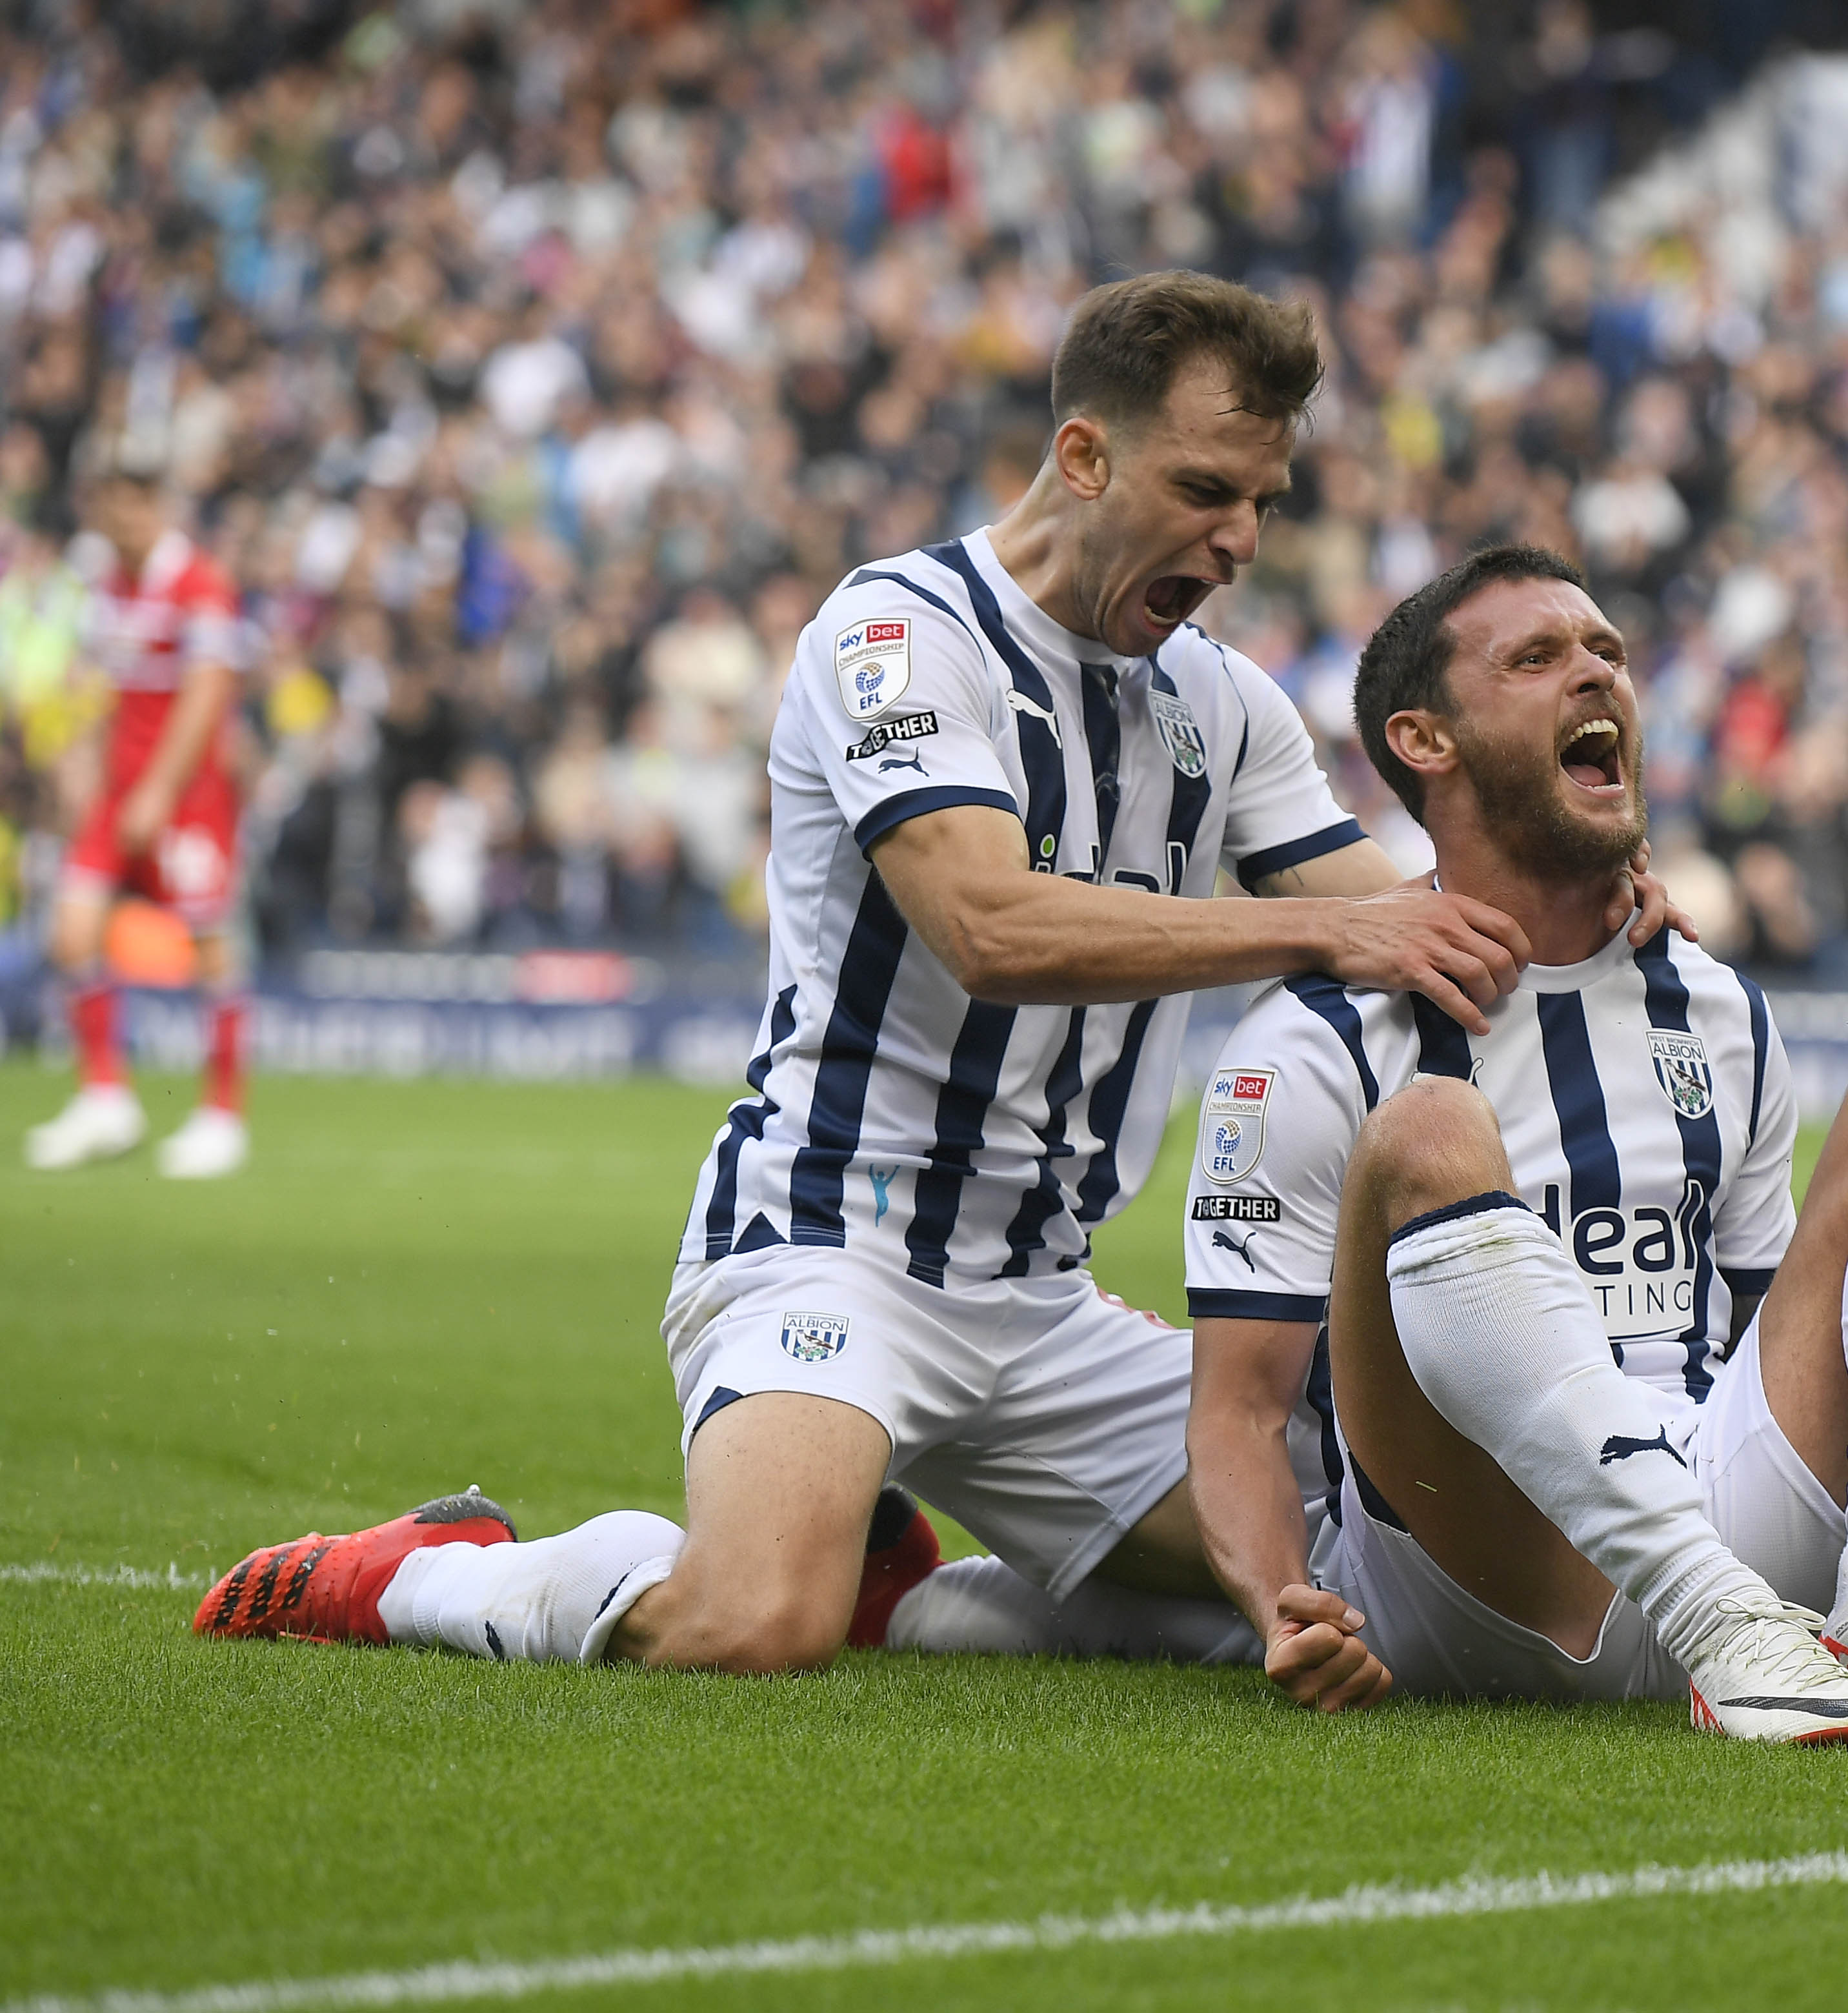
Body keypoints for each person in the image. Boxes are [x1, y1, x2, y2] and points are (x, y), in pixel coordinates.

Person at [191, 272, 1676, 1674]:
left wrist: (1578, 913)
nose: (1236, 540)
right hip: (832, 1240)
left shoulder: (1221, 701)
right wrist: (1326, 930)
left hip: (1045, 1297)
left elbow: (1412, 917)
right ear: (1083, 457)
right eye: (1205, 491)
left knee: (1355, 1572)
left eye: (1265, 503)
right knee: (756, 1619)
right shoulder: (897, 635)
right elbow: (990, 926)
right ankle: (421, 1570)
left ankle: (911, 1594)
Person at [1181, 546, 1848, 1742]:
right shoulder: (1311, 1039)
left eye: (1608, 654)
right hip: (1478, 1569)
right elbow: (1237, 1409)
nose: (1596, 674)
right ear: (1428, 741)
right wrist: (1281, 1600)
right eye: (1537, 658)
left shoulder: (1717, 1008)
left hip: (1722, 1504)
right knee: (1428, 1123)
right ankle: (1721, 1619)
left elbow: (1772, 1342)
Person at [24, 463, 253, 1179]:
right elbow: (96, 685)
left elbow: (206, 694)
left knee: (209, 946)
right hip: (115, 793)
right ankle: (105, 1098)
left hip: (185, 798)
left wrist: (158, 788)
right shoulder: (107, 585)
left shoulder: (201, 584)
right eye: (106, 509)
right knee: (71, 929)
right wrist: (78, 762)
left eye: (128, 508)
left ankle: (222, 1114)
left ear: (155, 506)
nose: (117, 523)